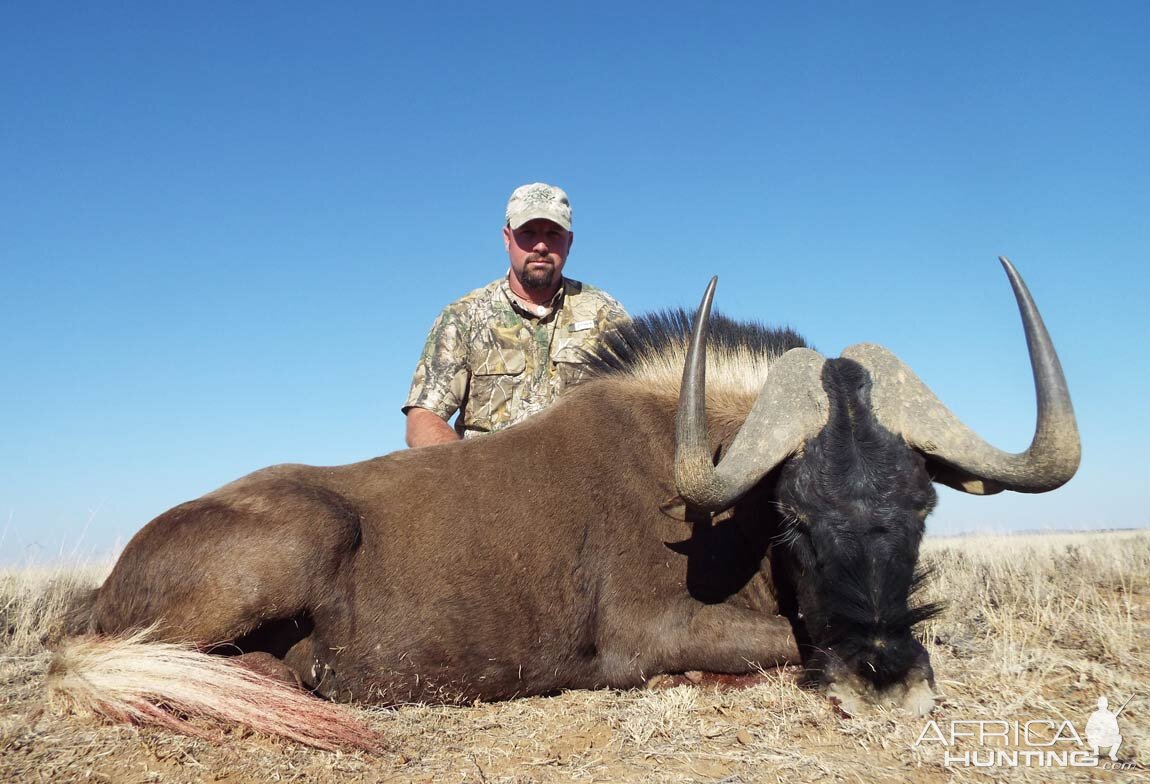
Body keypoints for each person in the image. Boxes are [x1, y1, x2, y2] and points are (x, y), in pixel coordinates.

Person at [403, 183, 629, 447]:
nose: (541, 245)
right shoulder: (464, 316)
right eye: (528, 233)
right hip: (486, 480)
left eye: (554, 234)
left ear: (569, 242)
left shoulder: (606, 314)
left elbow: (634, 409)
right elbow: (423, 417)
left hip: (581, 479)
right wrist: (467, 476)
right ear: (507, 238)